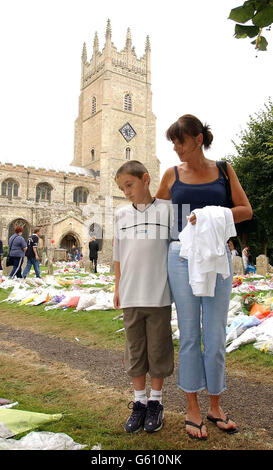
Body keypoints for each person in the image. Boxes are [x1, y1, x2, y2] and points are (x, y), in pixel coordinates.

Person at [156, 114, 252, 439]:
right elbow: (158, 217)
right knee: (189, 334)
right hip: (180, 257)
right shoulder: (171, 174)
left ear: (198, 139)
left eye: (180, 141)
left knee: (214, 335)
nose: (176, 148)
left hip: (215, 256)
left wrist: (210, 216)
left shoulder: (223, 170)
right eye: (173, 142)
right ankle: (192, 407)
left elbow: (245, 210)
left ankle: (215, 406)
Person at [113, 160, 174, 434]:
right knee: (135, 351)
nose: (126, 191)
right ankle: (139, 403)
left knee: (158, 350)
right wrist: (117, 287)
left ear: (145, 179)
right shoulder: (120, 215)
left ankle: (156, 403)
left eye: (129, 185)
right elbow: (118, 255)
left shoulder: (168, 211)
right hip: (131, 295)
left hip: (159, 295)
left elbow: (175, 251)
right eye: (121, 188)